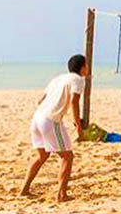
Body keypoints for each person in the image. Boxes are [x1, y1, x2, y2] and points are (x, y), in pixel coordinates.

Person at [21, 54, 88, 201]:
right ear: (82, 67)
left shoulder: (58, 78)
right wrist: (78, 126)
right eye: (87, 64)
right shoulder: (78, 80)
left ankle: (24, 190)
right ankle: (61, 195)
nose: (88, 67)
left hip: (37, 118)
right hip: (50, 120)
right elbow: (74, 102)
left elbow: (41, 100)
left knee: (42, 156)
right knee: (68, 157)